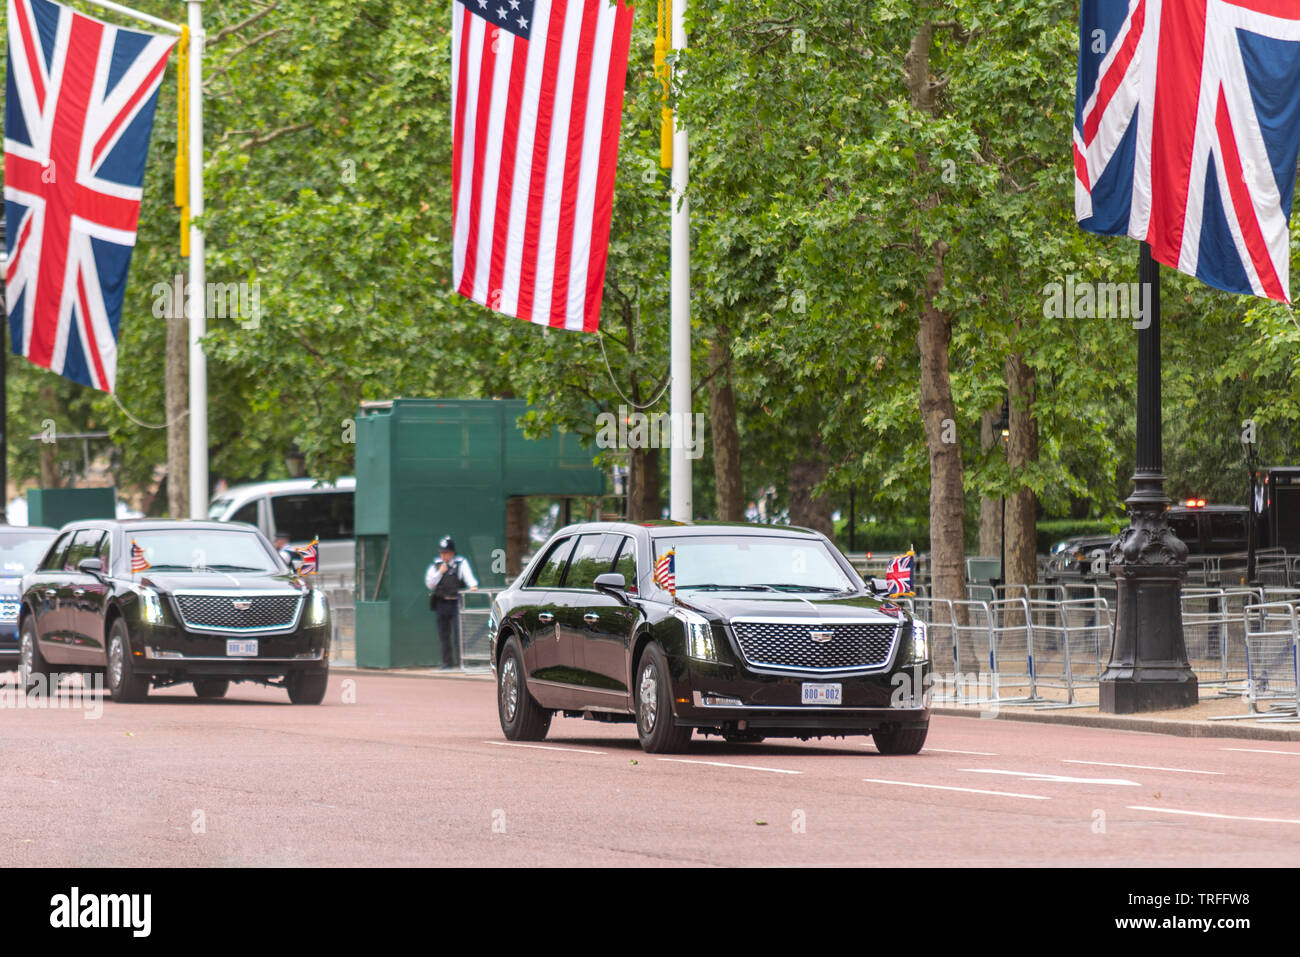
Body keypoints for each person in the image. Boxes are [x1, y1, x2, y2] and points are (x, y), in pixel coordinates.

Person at [425, 536, 478, 669]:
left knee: (458, 634)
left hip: (455, 604)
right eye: (441, 552)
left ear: (452, 552)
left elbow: (469, 577)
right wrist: (439, 573)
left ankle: (461, 662)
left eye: (446, 552)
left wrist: (473, 585)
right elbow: (430, 584)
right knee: (443, 634)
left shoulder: (461, 562)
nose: (443, 555)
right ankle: (447, 662)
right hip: (441, 603)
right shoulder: (435, 565)